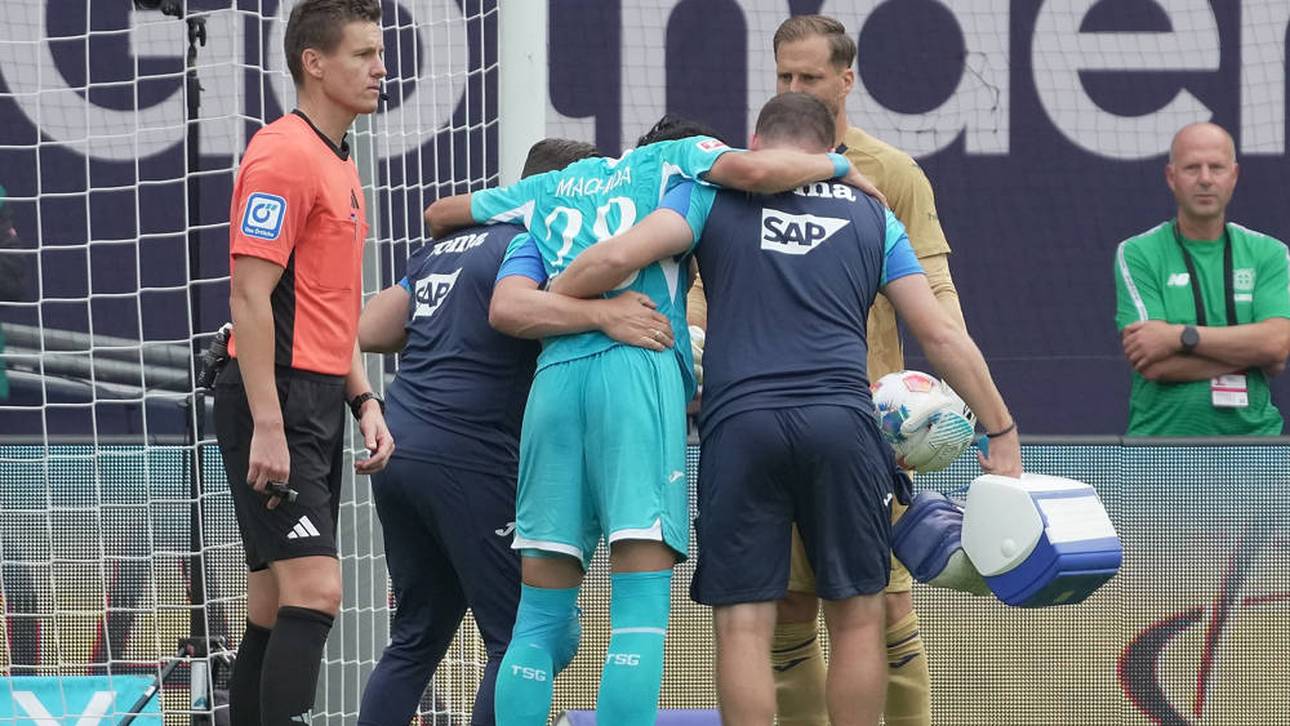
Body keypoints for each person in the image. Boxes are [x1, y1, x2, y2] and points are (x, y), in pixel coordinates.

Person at [549, 91, 1021, 726]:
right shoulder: (873, 215)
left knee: (744, 627)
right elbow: (938, 334)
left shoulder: (709, 194)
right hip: (843, 426)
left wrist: (566, 299)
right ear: (830, 151)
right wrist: (1002, 428)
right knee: (857, 615)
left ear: (754, 141)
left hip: (741, 427)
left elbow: (609, 259)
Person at [426, 115, 881, 726]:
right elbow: (752, 171)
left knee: (537, 619)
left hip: (554, 389)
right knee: (637, 610)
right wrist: (840, 165)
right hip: (637, 377)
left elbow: (454, 235)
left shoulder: (551, 189)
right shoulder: (679, 169)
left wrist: (582, 308)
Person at [353, 138, 680, 726]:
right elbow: (509, 310)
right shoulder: (531, 242)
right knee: (525, 634)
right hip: (469, 455)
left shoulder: (448, 247)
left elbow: (370, 328)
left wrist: (447, 326)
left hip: (399, 447)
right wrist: (605, 314)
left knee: (417, 637)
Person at [212, 2, 394, 724]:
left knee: (271, 603)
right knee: (317, 592)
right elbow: (250, 295)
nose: (381, 69)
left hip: (317, 400)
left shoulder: (339, 161)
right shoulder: (283, 154)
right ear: (313, 63)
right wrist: (267, 421)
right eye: (363, 55)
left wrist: (364, 399)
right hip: (275, 402)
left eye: (380, 54)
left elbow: (332, 309)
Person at [1115, 121, 1290, 435]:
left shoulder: (1270, 253)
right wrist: (1252, 355)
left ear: (1233, 176)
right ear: (1171, 177)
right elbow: (1153, 364)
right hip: (1159, 446)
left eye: (1216, 167)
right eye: (1192, 168)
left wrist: (1179, 337)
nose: (1205, 179)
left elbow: (1277, 345)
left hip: (1258, 445)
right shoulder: (1138, 253)